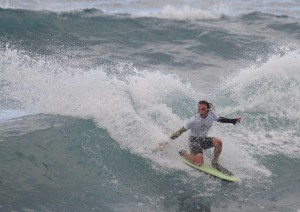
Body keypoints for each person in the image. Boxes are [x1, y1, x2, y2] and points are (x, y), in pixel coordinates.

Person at [160, 100, 241, 168]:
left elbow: (221, 119)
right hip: (193, 141)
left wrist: (233, 121)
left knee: (219, 142)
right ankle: (184, 153)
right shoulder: (193, 120)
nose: (201, 111)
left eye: (203, 109)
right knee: (199, 163)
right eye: (199, 109)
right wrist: (166, 141)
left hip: (203, 139)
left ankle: (214, 162)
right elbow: (180, 131)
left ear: (207, 109)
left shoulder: (211, 115)